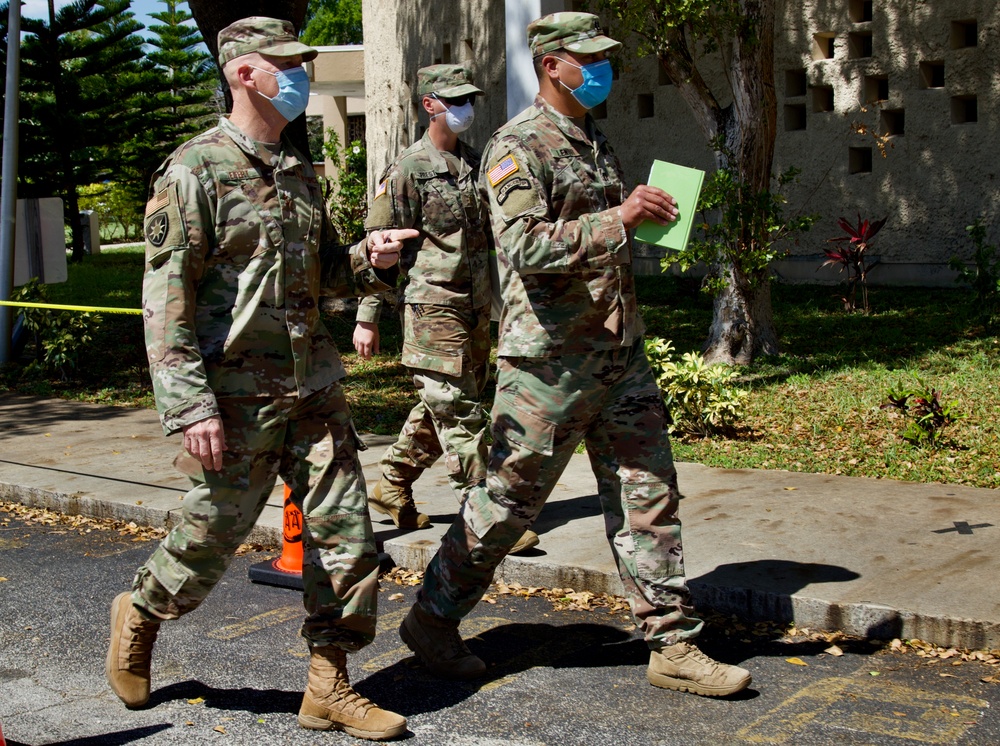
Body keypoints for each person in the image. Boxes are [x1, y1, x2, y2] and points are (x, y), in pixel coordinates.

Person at [398, 12, 752, 698]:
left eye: (604, 59)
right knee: (506, 503)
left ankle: (672, 642)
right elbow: (526, 246)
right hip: (549, 365)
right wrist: (618, 218)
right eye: (587, 59)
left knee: (648, 493)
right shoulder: (515, 146)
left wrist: (643, 217)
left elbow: (594, 237)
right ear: (551, 65)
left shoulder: (594, 140)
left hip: (618, 351)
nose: (601, 71)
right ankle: (433, 619)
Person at [105, 17, 415, 741]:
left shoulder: (299, 170)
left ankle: (328, 685)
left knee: (349, 540)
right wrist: (188, 406)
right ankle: (143, 611)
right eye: (289, 63)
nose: (301, 73)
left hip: (312, 389)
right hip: (233, 400)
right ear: (245, 73)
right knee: (208, 540)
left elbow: (324, 272)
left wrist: (370, 257)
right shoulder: (194, 171)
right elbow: (165, 301)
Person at [353, 64, 538, 554]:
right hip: (431, 308)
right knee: (460, 412)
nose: (465, 109)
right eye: (454, 100)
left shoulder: (480, 164)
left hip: (475, 307)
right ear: (429, 104)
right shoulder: (407, 170)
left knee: (442, 405)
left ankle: (391, 483)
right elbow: (379, 247)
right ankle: (487, 516)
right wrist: (367, 317)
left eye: (468, 99)